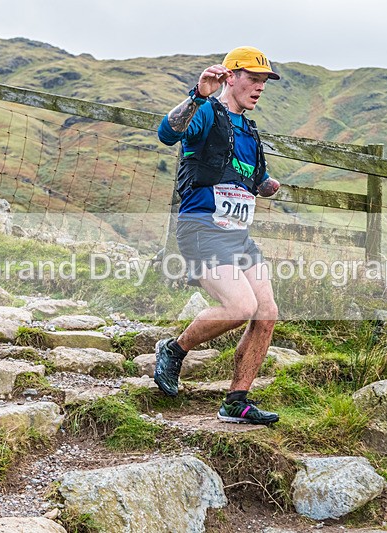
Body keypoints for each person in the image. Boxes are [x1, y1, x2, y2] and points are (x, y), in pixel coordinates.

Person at [155, 46, 282, 425]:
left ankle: (236, 401)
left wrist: (266, 184)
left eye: (264, 81)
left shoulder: (250, 131)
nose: (259, 87)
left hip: (238, 237)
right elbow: (167, 133)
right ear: (231, 76)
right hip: (202, 230)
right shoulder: (206, 112)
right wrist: (198, 94)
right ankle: (174, 350)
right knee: (240, 307)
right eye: (253, 79)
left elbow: (251, 178)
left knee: (267, 313)